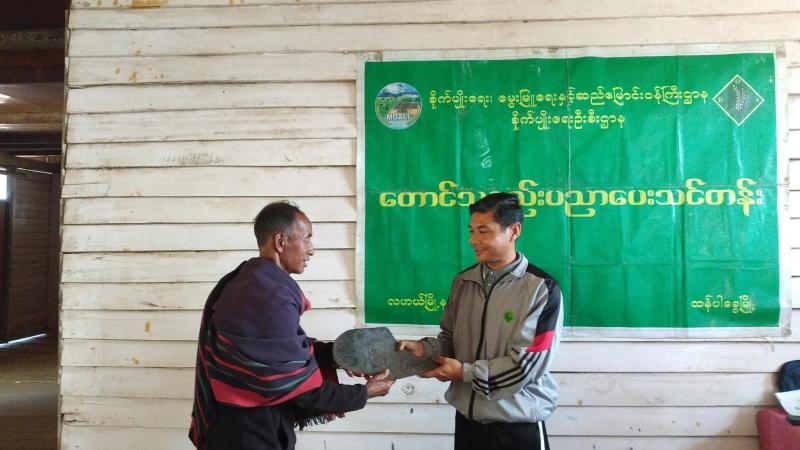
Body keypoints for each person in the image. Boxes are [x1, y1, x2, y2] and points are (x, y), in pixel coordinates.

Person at [190, 201, 393, 450]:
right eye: (306, 239)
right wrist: (365, 393)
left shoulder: (246, 282)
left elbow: (285, 353)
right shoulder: (268, 295)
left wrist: (340, 357)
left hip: (238, 428)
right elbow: (300, 390)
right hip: (249, 436)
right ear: (280, 241)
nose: (311, 250)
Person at [398, 193, 563, 450]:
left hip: (518, 426)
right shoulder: (463, 282)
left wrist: (463, 372)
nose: (474, 240)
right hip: (468, 425)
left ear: (514, 231)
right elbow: (450, 340)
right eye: (471, 231)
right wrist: (425, 350)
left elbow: (526, 367)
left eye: (483, 232)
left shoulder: (541, 289)